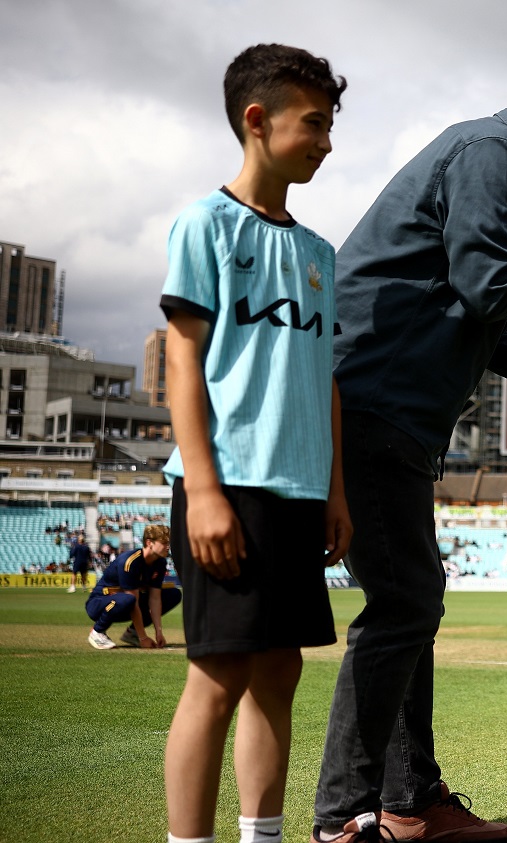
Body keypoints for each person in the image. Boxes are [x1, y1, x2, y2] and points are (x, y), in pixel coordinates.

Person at [313, 63, 507, 843]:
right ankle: (345, 818)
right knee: (406, 606)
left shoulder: (482, 155)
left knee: (409, 608)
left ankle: (408, 800)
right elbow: (491, 290)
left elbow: (471, 316)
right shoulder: (492, 155)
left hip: (392, 415)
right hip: (376, 408)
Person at [156, 44, 352, 843]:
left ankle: (261, 837)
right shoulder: (204, 223)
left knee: (281, 669)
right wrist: (201, 489)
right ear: (257, 119)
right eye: (315, 123)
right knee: (219, 672)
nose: (326, 142)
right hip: (227, 485)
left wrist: (335, 490)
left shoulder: (318, 253)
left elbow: (327, 378)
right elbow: (181, 357)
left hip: (301, 492)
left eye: (331, 126)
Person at [85, 525, 180, 650]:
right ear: (149, 543)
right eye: (164, 542)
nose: (168, 546)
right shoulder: (131, 561)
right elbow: (133, 601)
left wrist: (159, 632)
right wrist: (143, 638)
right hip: (100, 603)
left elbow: (155, 599)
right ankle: (97, 632)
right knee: (129, 599)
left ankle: (132, 633)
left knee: (173, 594)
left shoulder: (160, 562)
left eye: (169, 543)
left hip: (126, 603)